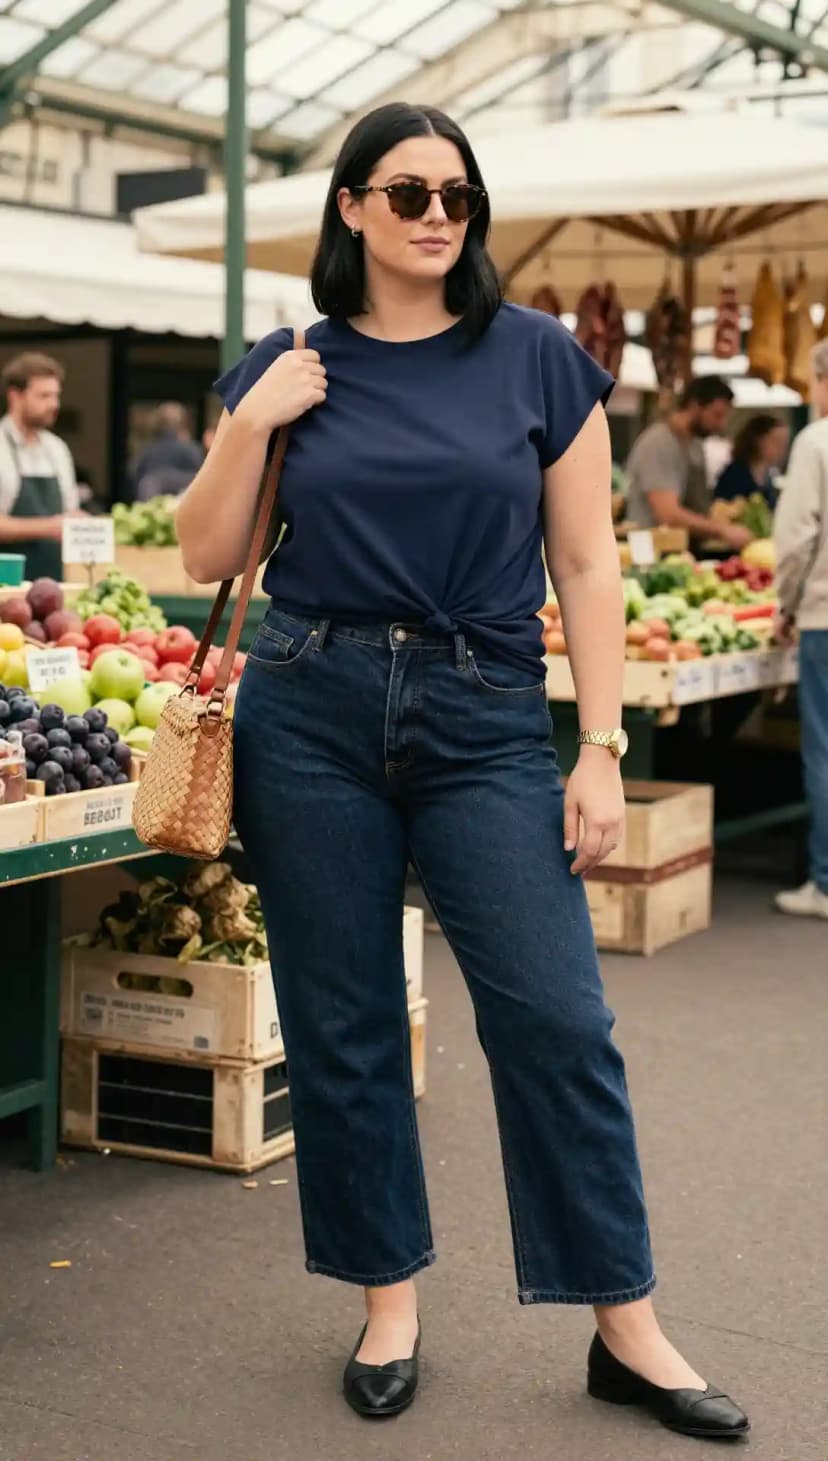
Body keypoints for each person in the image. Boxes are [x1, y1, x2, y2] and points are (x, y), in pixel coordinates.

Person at [176, 103, 749, 1441]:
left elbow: (589, 564)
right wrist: (251, 423)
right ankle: (387, 1301)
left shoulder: (538, 357)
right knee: (346, 1020)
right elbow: (208, 555)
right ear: (352, 207)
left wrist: (599, 745)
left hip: (486, 711)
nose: (439, 214)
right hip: (310, 703)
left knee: (558, 1020)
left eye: (458, 194)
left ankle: (627, 1325)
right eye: (410, 192)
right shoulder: (292, 362)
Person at [774, 340, 828, 920]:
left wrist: (785, 604)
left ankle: (826, 883)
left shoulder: (816, 442)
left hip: (825, 618)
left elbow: (795, 541)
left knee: (826, 752)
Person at [625, 377, 753, 550]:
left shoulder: (695, 445)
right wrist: (722, 530)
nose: (721, 425)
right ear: (694, 405)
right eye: (717, 415)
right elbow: (668, 514)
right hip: (649, 551)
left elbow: (698, 505)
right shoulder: (658, 443)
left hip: (681, 550)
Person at [0, 352, 80, 580]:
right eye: (44, 396)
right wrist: (48, 527)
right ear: (15, 396)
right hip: (6, 586)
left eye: (56, 396)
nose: (54, 404)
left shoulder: (57, 449)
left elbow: (68, 511)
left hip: (54, 583)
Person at [129, 402, 203, 501]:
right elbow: (202, 480)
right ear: (182, 424)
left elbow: (135, 479)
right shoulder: (191, 450)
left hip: (151, 506)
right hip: (185, 506)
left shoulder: (147, 452)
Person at [714, 414, 789, 508]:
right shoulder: (735, 475)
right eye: (776, 442)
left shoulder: (767, 476)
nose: (782, 449)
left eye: (784, 444)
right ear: (758, 441)